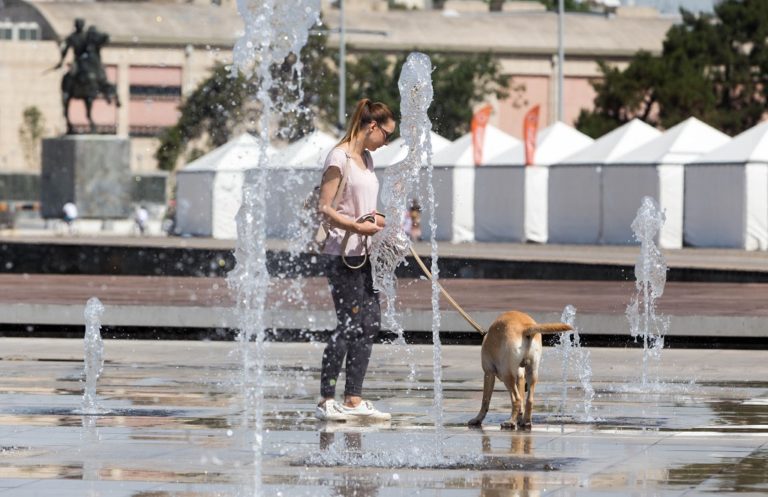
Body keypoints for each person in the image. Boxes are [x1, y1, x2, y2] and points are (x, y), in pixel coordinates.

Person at [315, 98, 396, 422]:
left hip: (365, 253)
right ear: (372, 126)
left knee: (370, 324)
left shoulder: (366, 159)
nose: (386, 142)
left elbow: (362, 202)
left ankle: (353, 398)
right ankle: (325, 399)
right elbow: (325, 207)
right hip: (340, 252)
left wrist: (379, 220)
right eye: (386, 135)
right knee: (348, 325)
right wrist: (354, 225)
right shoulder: (340, 158)